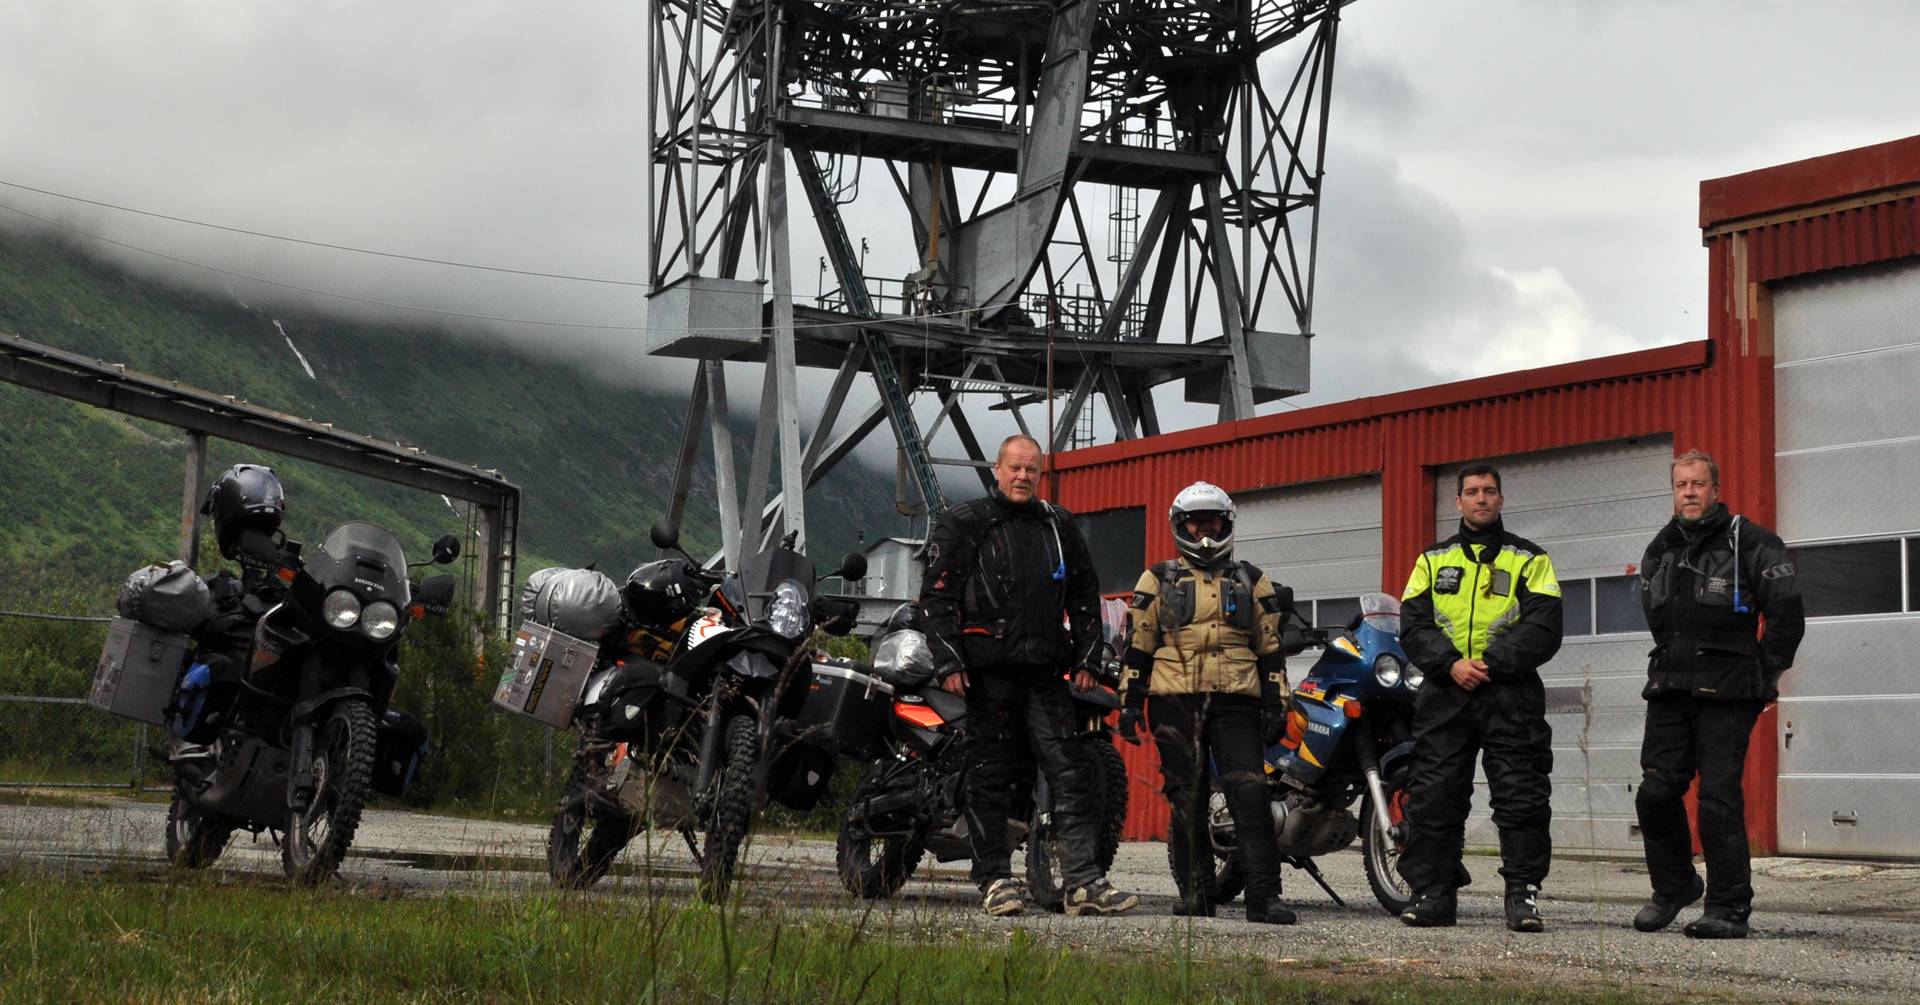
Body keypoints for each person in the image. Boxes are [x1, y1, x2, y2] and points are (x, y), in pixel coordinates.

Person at [920, 434, 1139, 917]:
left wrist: (1087, 657)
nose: (1022, 477)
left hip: (1046, 673)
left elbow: (1086, 595)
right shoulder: (965, 522)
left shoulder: (1058, 525)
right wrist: (950, 661)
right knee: (990, 776)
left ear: (1042, 475)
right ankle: (995, 880)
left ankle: (1083, 881)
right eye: (1014, 468)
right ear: (996, 469)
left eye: (1031, 470)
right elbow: (936, 598)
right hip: (986, 675)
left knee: (1072, 772)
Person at [1631, 450, 1803, 940]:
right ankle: (1675, 886)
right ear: (1674, 491)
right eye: (1681, 484)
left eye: (1698, 484)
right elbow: (1656, 615)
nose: (1689, 492)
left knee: (1718, 799)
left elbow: (1787, 614)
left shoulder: (1752, 542)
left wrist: (1762, 676)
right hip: (1670, 687)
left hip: (1728, 692)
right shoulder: (1659, 547)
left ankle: (1728, 908)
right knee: (1655, 793)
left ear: (1715, 489)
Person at [1117, 481, 1297, 923]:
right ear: (1180, 526)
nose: (1204, 534)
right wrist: (1129, 701)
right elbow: (1137, 645)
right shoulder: (1156, 578)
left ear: (1226, 524)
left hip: (1237, 699)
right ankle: (1196, 893)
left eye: (1212, 523)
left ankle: (1264, 897)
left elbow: (1269, 646)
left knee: (1250, 795)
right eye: (1195, 524)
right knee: (1187, 798)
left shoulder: (1252, 579)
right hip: (1174, 699)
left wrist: (1277, 701)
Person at [1397, 463, 1563, 931]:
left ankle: (1522, 896)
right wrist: (1450, 663)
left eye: (1489, 491)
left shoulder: (1531, 559)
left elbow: (1545, 626)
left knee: (1522, 796)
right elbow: (1413, 624)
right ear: (1458, 502)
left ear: (1501, 499)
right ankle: (1433, 894)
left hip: (1510, 694)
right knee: (1434, 796)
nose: (1481, 499)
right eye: (1471, 492)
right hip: (1445, 693)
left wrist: (1492, 662)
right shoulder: (1431, 561)